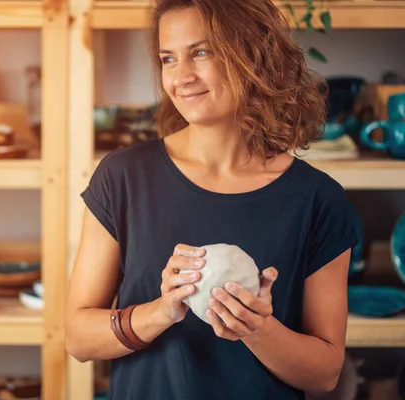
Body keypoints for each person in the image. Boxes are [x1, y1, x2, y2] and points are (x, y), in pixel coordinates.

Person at [64, 0, 358, 398]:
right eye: (168, 58)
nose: (180, 77)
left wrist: (259, 330)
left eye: (201, 52)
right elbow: (78, 338)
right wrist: (160, 312)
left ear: (253, 55)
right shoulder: (123, 177)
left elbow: (325, 373)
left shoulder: (317, 198)